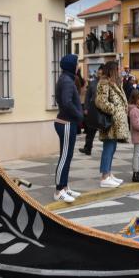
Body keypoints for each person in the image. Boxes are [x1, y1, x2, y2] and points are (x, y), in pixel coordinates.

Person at [53, 54, 84, 203]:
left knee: (68, 155)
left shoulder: (68, 79)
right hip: (65, 123)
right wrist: (78, 114)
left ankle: (65, 187)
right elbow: (66, 102)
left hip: (68, 122)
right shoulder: (66, 80)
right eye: (77, 63)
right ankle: (59, 191)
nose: (78, 66)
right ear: (71, 65)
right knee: (65, 157)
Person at [95, 61, 129, 188]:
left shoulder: (115, 82)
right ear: (112, 70)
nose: (120, 70)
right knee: (108, 149)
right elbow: (101, 102)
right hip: (110, 122)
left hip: (116, 123)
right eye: (118, 68)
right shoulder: (104, 83)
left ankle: (108, 174)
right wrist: (114, 109)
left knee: (112, 148)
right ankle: (104, 176)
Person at [79, 66, 102, 155]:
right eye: (98, 73)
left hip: (104, 110)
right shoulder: (92, 83)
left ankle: (107, 149)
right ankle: (87, 148)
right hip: (93, 110)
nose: (99, 75)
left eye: (101, 73)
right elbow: (87, 97)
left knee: (105, 131)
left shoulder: (107, 84)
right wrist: (86, 108)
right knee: (90, 130)